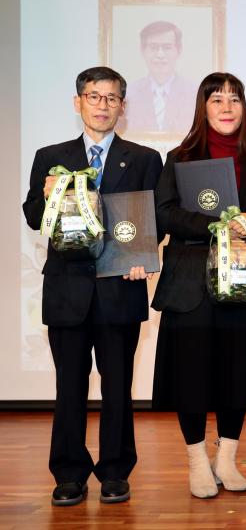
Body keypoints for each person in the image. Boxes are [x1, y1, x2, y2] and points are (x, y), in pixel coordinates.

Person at [22, 66, 163, 506]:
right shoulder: (51, 156)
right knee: (69, 385)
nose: (102, 105)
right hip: (67, 289)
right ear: (77, 102)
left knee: (118, 385)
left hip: (121, 286)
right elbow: (32, 216)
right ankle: (68, 472)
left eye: (111, 98)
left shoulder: (143, 158)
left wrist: (142, 259)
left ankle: (116, 471)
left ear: (123, 106)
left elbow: (150, 223)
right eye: (93, 96)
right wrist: (47, 195)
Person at [151, 72, 246, 499]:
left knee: (236, 371)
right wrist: (218, 225)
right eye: (216, 99)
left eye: (235, 99)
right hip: (190, 282)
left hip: (244, 281)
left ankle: (226, 457)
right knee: (190, 374)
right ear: (203, 107)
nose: (227, 107)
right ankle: (196, 460)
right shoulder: (180, 157)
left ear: (244, 107)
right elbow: (164, 213)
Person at [123, 21, 197, 135]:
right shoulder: (128, 93)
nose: (160, 55)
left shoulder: (195, 93)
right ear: (143, 50)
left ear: (179, 50)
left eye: (167, 48)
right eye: (153, 47)